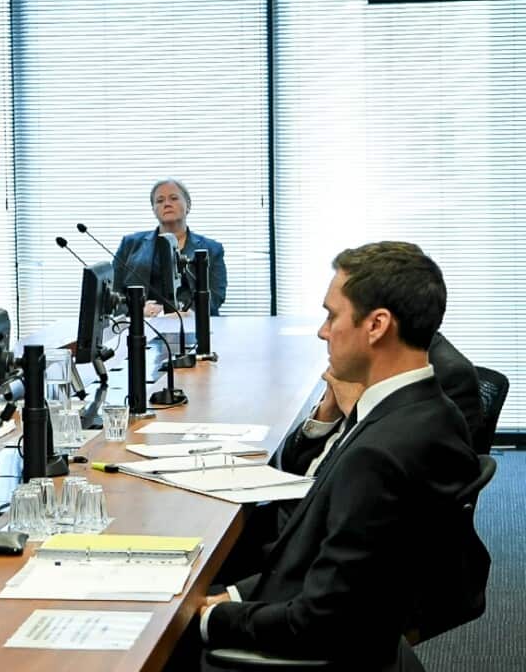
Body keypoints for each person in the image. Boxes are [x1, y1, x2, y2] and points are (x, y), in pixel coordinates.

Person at [198, 242, 482, 669]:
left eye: (332, 315)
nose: (322, 331)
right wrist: (237, 594)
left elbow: (321, 621)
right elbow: (335, 570)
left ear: (377, 326)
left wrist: (213, 617)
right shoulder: (428, 412)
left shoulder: (379, 454)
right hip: (348, 626)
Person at [112, 179, 226, 316]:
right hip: (143, 324)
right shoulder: (129, 244)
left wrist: (190, 313)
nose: (167, 204)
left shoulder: (212, 249)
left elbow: (216, 295)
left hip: (192, 323)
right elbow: (113, 295)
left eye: (173, 198)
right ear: (153, 209)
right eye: (159, 201)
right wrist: (137, 311)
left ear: (188, 205)